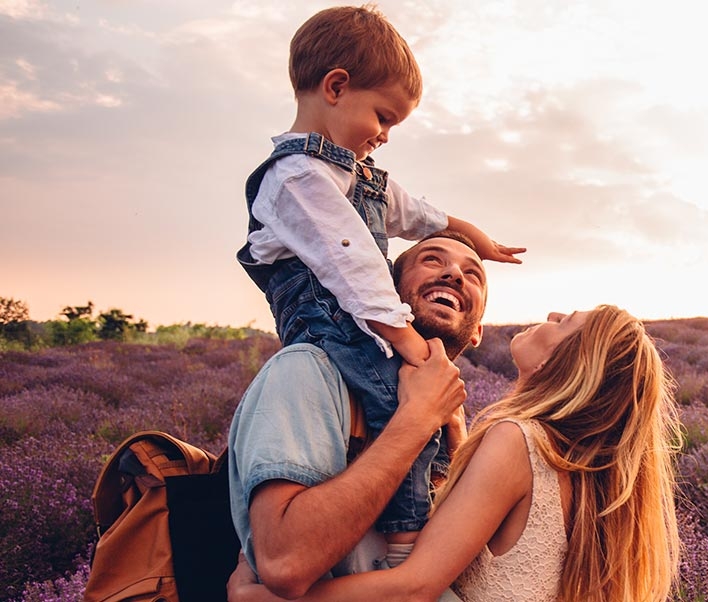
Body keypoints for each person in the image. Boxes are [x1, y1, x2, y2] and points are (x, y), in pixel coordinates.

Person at [234, 4, 524, 551]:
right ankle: (407, 537)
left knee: (428, 409)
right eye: (384, 117)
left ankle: (430, 503)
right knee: (402, 405)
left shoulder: (352, 173)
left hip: (360, 316)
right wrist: (406, 340)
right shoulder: (296, 176)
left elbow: (413, 212)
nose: (386, 135)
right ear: (336, 87)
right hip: (326, 320)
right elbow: (356, 265)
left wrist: (469, 232)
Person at [229, 304, 683, 601]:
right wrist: (460, 437)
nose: (553, 312)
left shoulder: (517, 440)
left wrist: (264, 598)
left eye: (565, 323)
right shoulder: (577, 465)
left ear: (557, 364)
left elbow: (414, 586)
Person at [229, 230, 487, 599]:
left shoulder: (457, 424)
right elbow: (286, 563)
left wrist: (451, 433)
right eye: (432, 259)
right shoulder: (309, 371)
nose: (454, 275)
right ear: (386, 296)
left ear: (477, 331)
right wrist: (416, 419)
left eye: (472, 274)